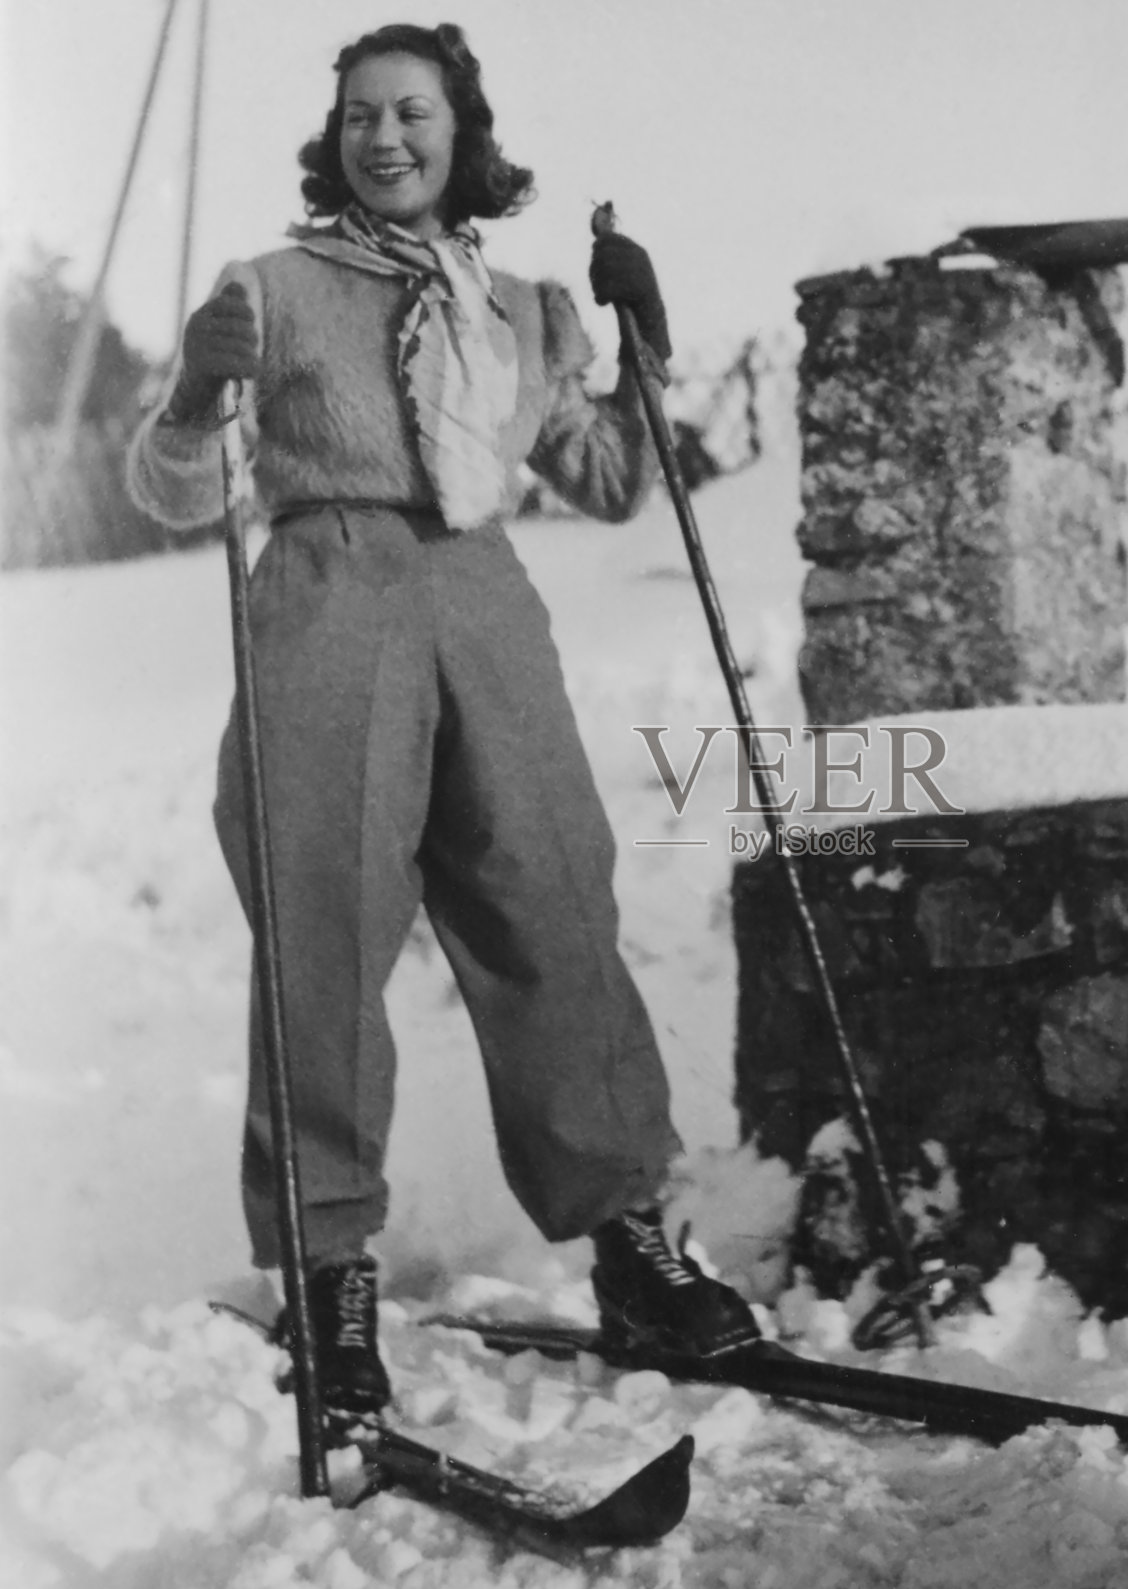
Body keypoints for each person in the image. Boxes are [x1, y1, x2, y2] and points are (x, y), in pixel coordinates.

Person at [127, 21, 759, 1414]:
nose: (386, 138)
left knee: (555, 902)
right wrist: (192, 387)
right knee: (326, 926)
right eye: (360, 117)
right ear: (334, 139)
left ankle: (632, 1242)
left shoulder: (522, 307)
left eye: (412, 113)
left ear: (462, 134)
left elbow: (601, 480)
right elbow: (175, 491)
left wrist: (640, 345)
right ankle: (330, 1268)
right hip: (329, 595)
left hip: (485, 599)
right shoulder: (273, 288)